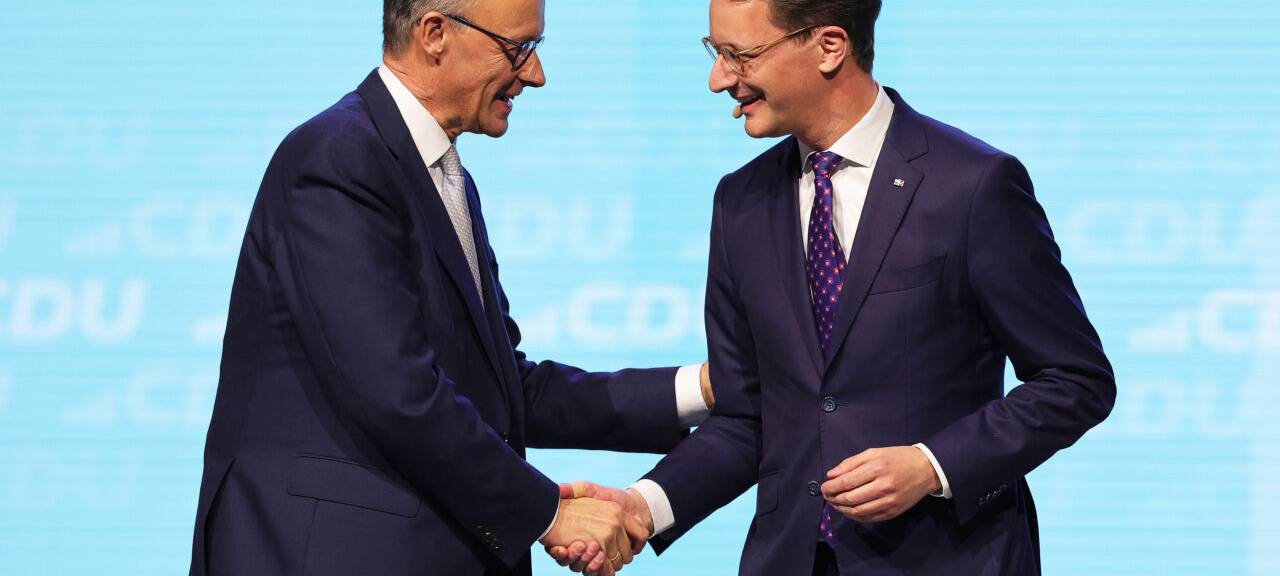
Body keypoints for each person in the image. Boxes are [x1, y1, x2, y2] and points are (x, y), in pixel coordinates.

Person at [550, 1, 1116, 574]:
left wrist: (932, 465)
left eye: (739, 55)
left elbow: (1075, 380)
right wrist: (645, 507)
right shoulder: (740, 201)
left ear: (829, 47)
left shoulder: (971, 184)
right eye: (715, 53)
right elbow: (749, 413)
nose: (719, 79)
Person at [186, 1, 714, 575]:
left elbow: (502, 390)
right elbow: (398, 392)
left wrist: (703, 389)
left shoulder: (445, 178)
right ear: (434, 34)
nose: (536, 74)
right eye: (518, 48)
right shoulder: (339, 158)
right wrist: (549, 513)